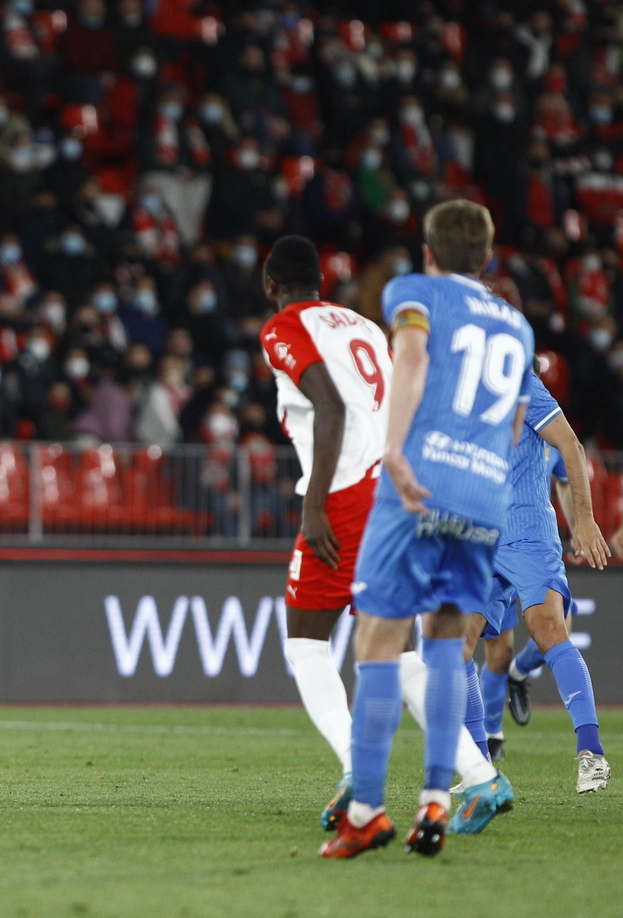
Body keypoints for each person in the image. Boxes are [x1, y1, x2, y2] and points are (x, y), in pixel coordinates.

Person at [322, 201, 537, 860]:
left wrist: (394, 451)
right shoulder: (518, 325)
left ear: (429, 252)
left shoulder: (412, 292)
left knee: (379, 636)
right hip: (485, 493)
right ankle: (438, 799)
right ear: (489, 256)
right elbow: (511, 422)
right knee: (447, 638)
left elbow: (411, 359)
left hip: (420, 482)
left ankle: (366, 812)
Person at [258, 237, 391, 827]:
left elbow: (331, 411)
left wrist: (313, 505)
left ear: (271, 284)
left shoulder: (285, 327)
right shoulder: (364, 326)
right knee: (397, 648)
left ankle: (358, 766)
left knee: (308, 643)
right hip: (391, 484)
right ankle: (475, 773)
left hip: (345, 494)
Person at [456, 378, 611, 804]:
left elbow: (571, 446)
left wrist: (583, 520)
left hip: (526, 533)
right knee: (457, 642)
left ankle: (591, 752)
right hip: (478, 535)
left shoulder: (518, 378)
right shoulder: (453, 380)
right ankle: (480, 769)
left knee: (548, 630)